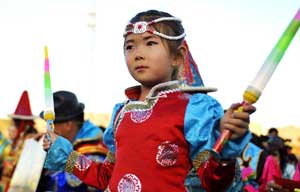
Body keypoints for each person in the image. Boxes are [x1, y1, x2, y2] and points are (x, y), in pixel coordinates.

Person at [43, 10, 255, 192]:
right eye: (130, 46)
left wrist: (227, 145)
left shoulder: (195, 109)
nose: (138, 54)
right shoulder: (121, 113)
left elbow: (213, 182)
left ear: (177, 57)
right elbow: (107, 176)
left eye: (150, 43)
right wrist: (64, 154)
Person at [37, 90, 108, 192]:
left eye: (52, 125)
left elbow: (66, 184)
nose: (49, 130)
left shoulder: (93, 152)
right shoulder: (69, 146)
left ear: (68, 125)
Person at [0, 90, 39, 191]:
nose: (9, 129)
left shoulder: (31, 146)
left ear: (22, 127)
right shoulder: (13, 145)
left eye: (12, 125)